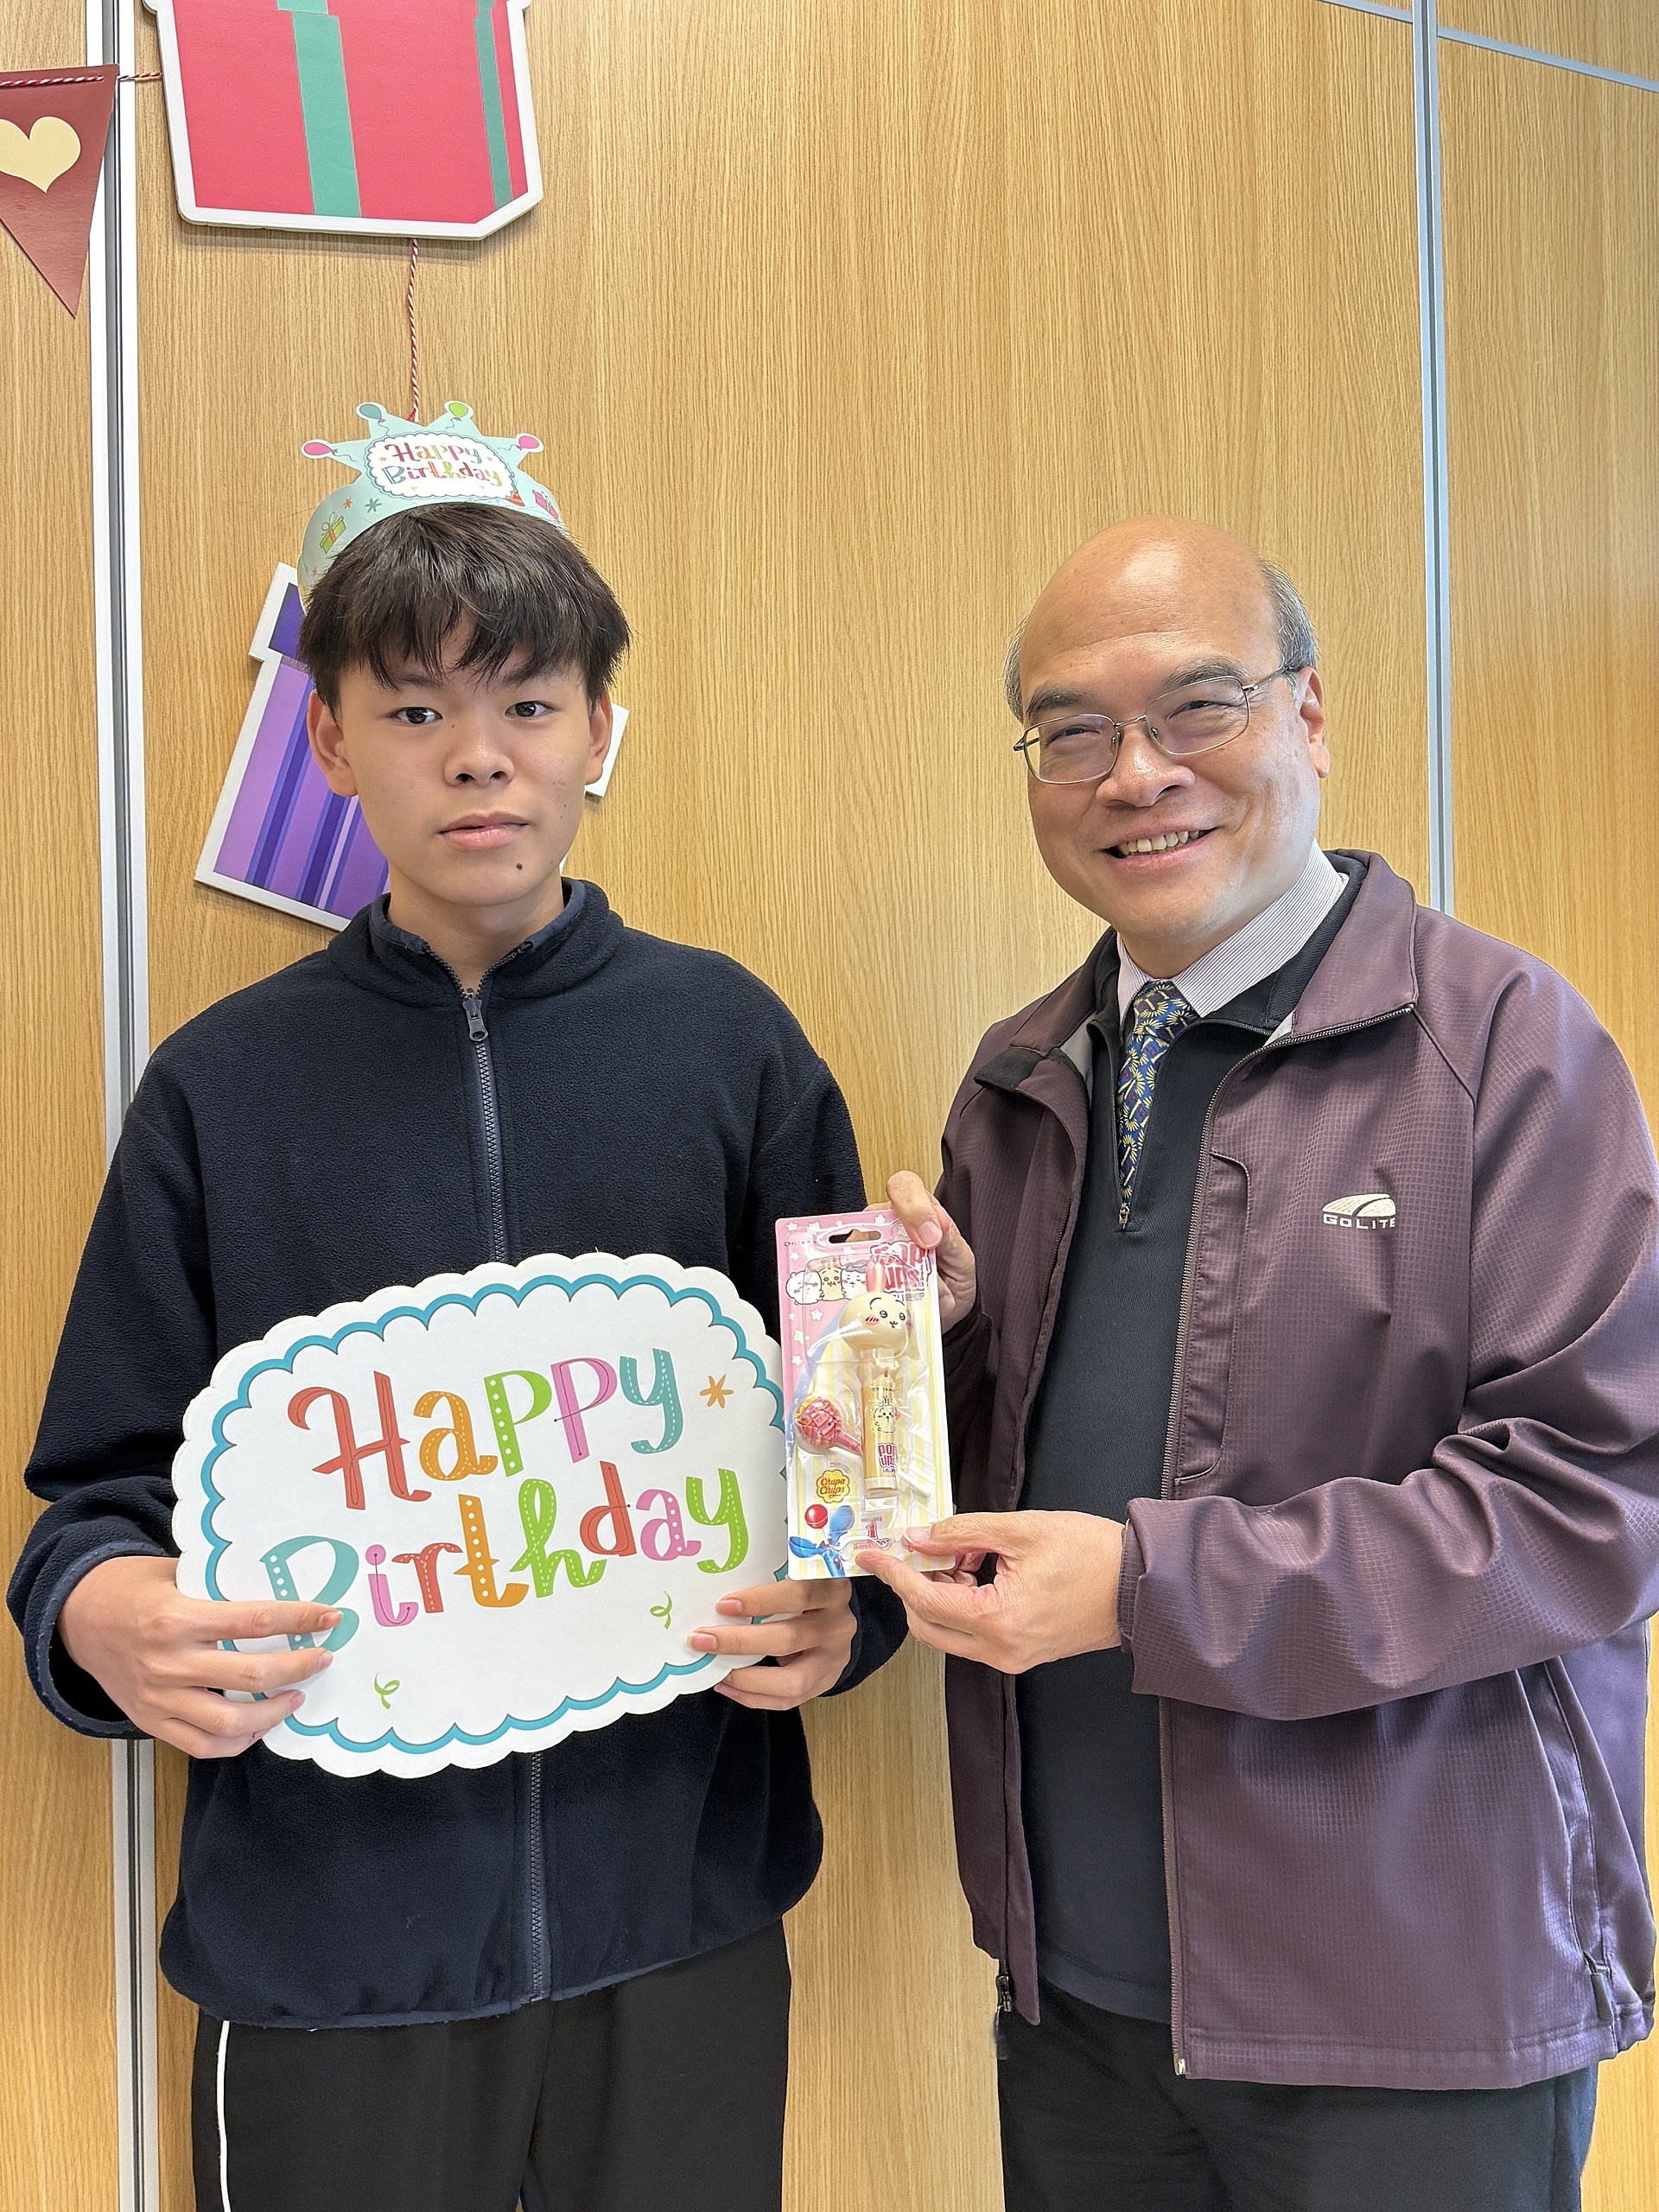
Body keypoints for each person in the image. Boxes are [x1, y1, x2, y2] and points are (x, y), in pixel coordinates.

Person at [10, 490, 902, 2212]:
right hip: (329, 1950)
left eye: (530, 703)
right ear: (331, 741)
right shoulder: (220, 1089)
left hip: (683, 1924)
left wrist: (845, 1609)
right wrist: (97, 1611)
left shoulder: (733, 1044)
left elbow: (853, 1449)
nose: (479, 756)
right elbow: (96, 1496)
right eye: (416, 708)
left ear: (601, 732)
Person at [864, 516, 1659, 2212]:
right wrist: (939, 1351)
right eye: (1072, 730)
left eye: (1197, 706)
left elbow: (1589, 1507)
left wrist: (1150, 1587)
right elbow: (1022, 1486)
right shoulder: (1021, 1079)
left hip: (1414, 2003)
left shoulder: (1505, 1049)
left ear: (1309, 714)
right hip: (1078, 1997)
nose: (1135, 773)